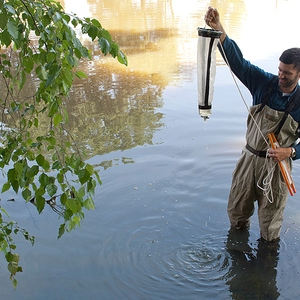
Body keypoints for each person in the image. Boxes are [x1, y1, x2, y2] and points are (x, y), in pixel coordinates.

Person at [204, 7, 300, 242]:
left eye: (286, 73)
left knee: (270, 227)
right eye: (279, 69)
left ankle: (264, 270)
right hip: (249, 159)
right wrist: (220, 30)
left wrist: (291, 151)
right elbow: (240, 64)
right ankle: (236, 256)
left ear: (298, 74)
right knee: (237, 214)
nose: (280, 75)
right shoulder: (263, 83)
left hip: (277, 169)